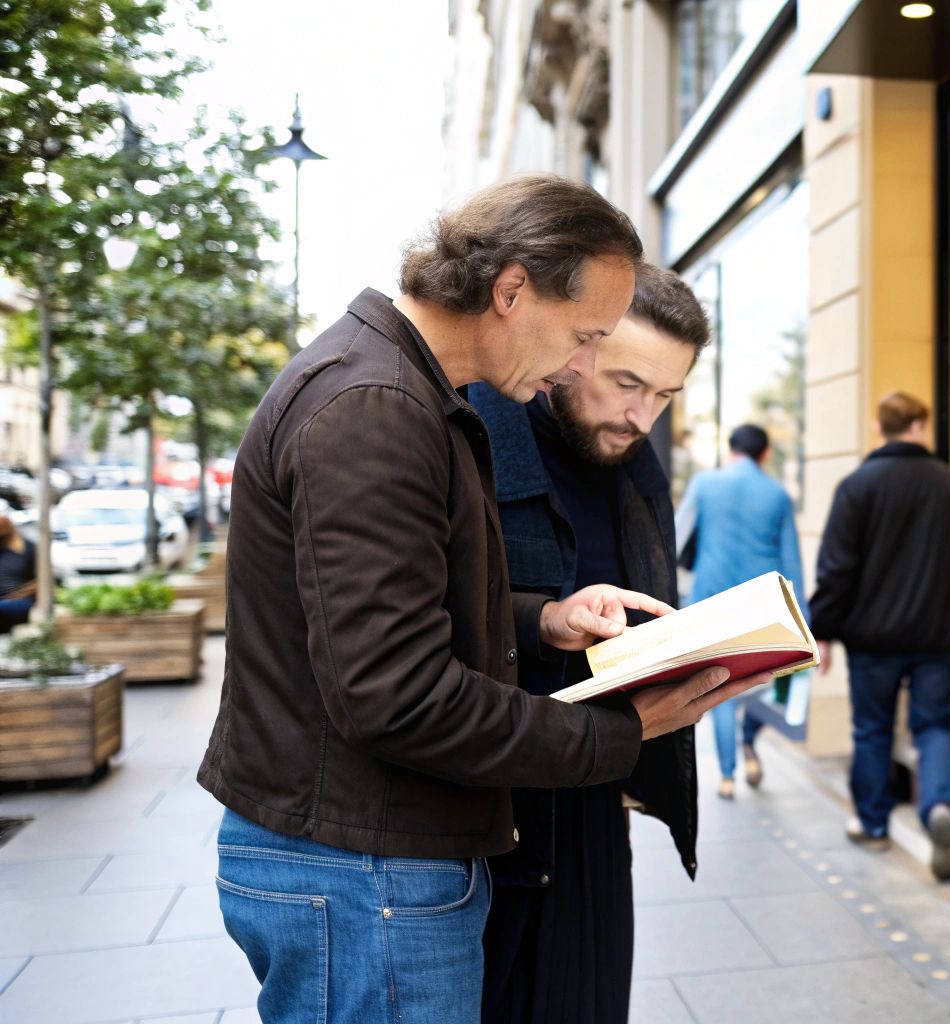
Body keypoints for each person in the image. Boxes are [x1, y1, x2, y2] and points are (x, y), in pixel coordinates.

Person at [197, 175, 769, 1024]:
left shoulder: (404, 393)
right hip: (365, 869)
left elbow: (392, 615)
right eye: (584, 337)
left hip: (370, 861)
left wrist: (544, 618)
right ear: (510, 290)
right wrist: (617, 734)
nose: (580, 366)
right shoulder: (377, 407)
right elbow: (395, 696)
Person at [468, 263, 739, 1024]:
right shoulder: (474, 431)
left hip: (590, 799)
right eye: (627, 382)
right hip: (482, 816)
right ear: (576, 347)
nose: (641, 415)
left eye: (664, 397)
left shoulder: (637, 465)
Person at [808, 392, 950, 881]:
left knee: (872, 729)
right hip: (941, 638)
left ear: (879, 427)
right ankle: (938, 807)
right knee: (933, 725)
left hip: (872, 641)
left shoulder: (857, 487)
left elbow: (836, 570)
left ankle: (873, 825)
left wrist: (822, 630)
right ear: (920, 426)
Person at [675, 423, 805, 799]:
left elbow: (676, 536)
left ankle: (728, 775)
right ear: (765, 454)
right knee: (763, 683)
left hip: (710, 604)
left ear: (731, 449)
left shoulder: (705, 485)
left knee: (720, 690)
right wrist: (805, 621)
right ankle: (749, 744)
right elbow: (791, 562)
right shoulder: (778, 494)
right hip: (762, 607)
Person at [0, 513, 36, 631]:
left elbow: (40, 581)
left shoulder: (30, 548)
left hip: (18, 600)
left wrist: (19, 594)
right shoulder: (2, 548)